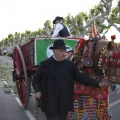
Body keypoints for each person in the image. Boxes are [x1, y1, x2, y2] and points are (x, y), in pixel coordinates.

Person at [32, 39, 108, 120]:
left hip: (64, 102)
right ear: (54, 51)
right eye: (61, 51)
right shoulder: (45, 65)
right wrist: (37, 90)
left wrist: (98, 84)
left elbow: (81, 78)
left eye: (64, 51)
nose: (64, 54)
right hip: (50, 102)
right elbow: (35, 79)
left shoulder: (70, 65)